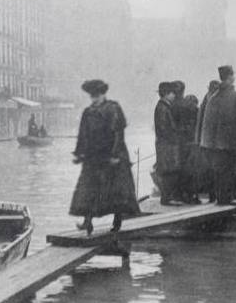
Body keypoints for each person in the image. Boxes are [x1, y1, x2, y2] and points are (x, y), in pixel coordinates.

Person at [69, 79, 140, 235]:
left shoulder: (113, 109)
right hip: (93, 156)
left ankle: (117, 220)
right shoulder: (87, 112)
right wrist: (79, 153)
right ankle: (87, 222)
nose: (94, 99)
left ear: (103, 94)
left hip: (111, 156)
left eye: (97, 95)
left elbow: (118, 134)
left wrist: (115, 155)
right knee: (88, 189)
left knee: (116, 190)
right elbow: (83, 135)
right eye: (92, 96)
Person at [199, 65, 236, 205]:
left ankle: (221, 198)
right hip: (229, 142)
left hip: (214, 144)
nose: (234, 77)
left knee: (218, 171)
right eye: (233, 75)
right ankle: (226, 199)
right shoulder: (233, 96)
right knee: (229, 171)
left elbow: (207, 123)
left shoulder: (213, 97)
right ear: (229, 77)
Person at [154, 81, 182, 205]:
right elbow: (164, 129)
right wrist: (175, 137)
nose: (174, 95)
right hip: (167, 146)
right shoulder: (163, 108)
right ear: (166, 94)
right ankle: (167, 198)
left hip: (166, 145)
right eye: (172, 93)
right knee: (168, 171)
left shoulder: (163, 106)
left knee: (168, 170)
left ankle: (167, 197)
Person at [195, 80, 221, 202]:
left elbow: (199, 123)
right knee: (217, 169)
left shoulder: (205, 101)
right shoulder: (215, 101)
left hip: (206, 142)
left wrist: (198, 141)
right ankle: (216, 195)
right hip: (215, 142)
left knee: (209, 169)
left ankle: (212, 195)